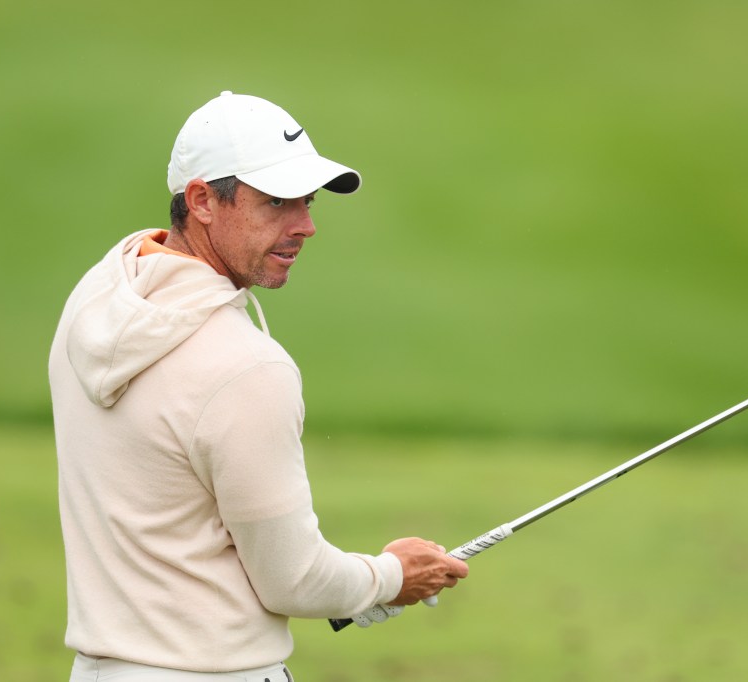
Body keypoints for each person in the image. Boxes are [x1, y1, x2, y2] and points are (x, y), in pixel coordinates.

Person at [49, 91, 469, 681]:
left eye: (307, 200)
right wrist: (393, 576)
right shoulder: (247, 369)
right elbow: (293, 579)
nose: (307, 226)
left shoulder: (95, 299)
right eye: (276, 202)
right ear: (201, 201)